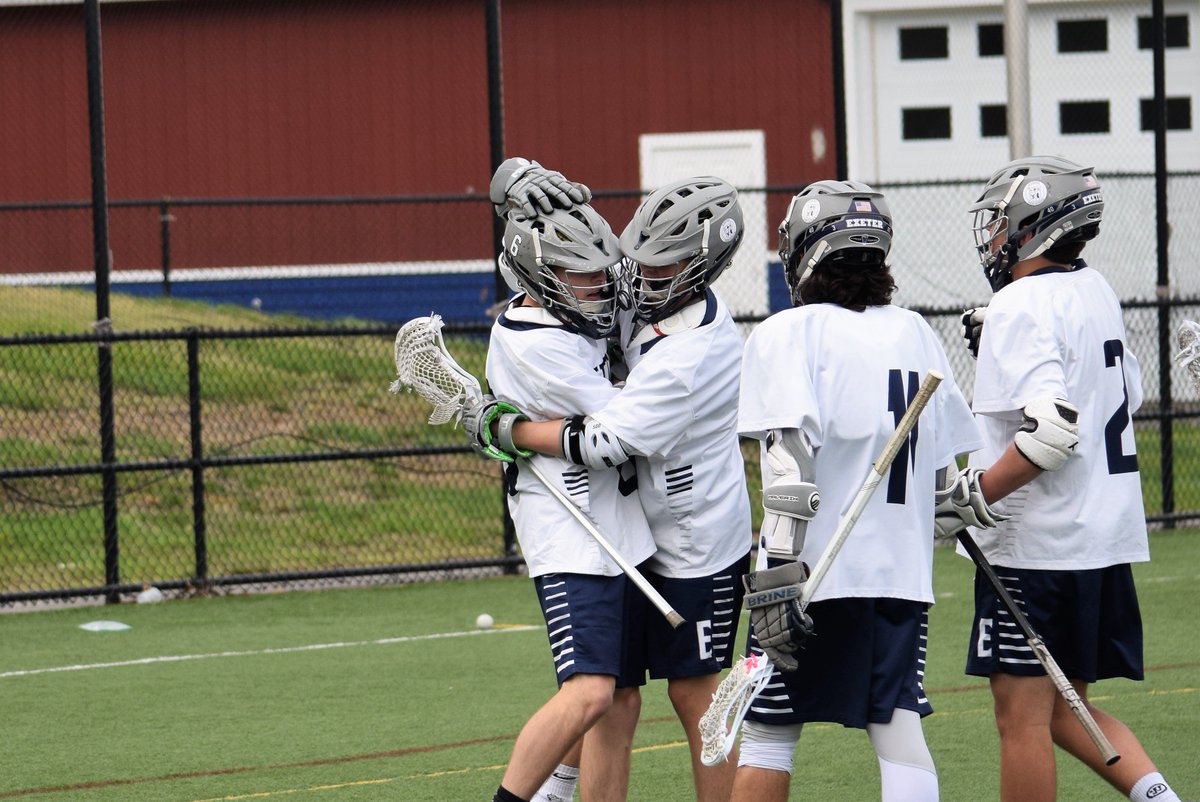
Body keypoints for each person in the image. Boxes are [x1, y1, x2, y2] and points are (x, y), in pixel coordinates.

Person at [471, 174, 754, 802]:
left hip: (695, 535)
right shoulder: (629, 301)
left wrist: (510, 428)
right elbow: (561, 240)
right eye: (641, 257)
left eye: (666, 263)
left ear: (703, 265)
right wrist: (513, 178)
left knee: (695, 692)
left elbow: (605, 441)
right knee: (614, 696)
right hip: (626, 531)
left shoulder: (691, 350)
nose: (637, 276)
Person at [728, 180, 991, 802]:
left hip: (810, 571)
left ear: (807, 251)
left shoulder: (788, 332)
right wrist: (951, 517)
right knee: (897, 731)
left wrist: (778, 574)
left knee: (768, 735)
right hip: (898, 575)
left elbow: (788, 468)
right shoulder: (913, 332)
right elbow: (942, 481)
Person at [958, 155, 1184, 802]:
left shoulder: (1019, 305)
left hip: (1040, 545)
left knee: (1021, 717)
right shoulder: (1096, 289)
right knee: (1065, 709)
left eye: (1003, 225)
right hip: (1101, 533)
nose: (995, 238)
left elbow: (1053, 433)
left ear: (1036, 225)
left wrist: (972, 496)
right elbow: (1122, 393)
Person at [471, 165, 657, 802]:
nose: (599, 285)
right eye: (580, 274)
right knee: (591, 690)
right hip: (572, 526)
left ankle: (558, 792)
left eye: (600, 271)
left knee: (621, 700)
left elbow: (511, 176)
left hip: (618, 522)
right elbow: (620, 432)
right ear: (539, 278)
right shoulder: (534, 344)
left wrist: (518, 176)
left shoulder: (578, 315)